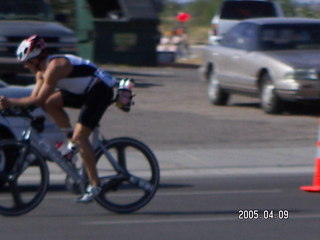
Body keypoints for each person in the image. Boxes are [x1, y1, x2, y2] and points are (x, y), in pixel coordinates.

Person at [0, 35, 116, 203]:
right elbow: (35, 99)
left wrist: (10, 102)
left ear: (38, 58)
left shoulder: (55, 67)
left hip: (100, 89)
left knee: (81, 137)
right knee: (51, 103)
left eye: (27, 61)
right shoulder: (41, 72)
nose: (25, 65)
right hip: (84, 90)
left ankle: (95, 185)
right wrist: (15, 108)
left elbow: (36, 100)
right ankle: (71, 141)